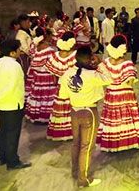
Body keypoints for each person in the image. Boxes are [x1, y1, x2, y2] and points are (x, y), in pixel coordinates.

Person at [58, 46, 111, 187]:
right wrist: (100, 63)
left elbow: (62, 95)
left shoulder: (67, 73)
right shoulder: (92, 75)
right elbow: (109, 79)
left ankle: (75, 172)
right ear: (89, 58)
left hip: (74, 111)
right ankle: (84, 179)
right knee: (86, 147)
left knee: (76, 143)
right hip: (89, 112)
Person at [97, 35, 139, 152]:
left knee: (112, 118)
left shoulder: (105, 63)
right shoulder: (127, 64)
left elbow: (101, 79)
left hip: (111, 94)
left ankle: (113, 142)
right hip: (125, 95)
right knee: (127, 117)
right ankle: (129, 141)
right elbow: (129, 82)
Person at [0, 39, 31, 170]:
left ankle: (1, 157)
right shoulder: (15, 65)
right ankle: (13, 161)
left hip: (1, 103)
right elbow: (12, 86)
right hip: (12, 103)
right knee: (12, 134)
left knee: (2, 132)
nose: (20, 51)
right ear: (13, 52)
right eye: (18, 49)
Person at [46, 31, 78, 141]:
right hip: (73, 86)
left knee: (61, 108)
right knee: (73, 108)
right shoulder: (75, 55)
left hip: (60, 86)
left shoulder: (55, 56)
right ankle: (74, 131)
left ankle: (61, 132)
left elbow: (53, 75)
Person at [25, 27, 58, 123]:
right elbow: (52, 66)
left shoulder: (34, 48)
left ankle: (37, 115)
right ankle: (45, 117)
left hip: (38, 77)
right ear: (45, 37)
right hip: (47, 78)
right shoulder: (49, 51)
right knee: (47, 96)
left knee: (38, 95)